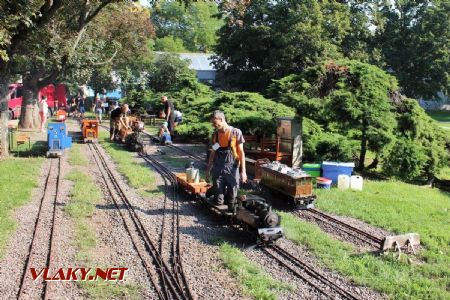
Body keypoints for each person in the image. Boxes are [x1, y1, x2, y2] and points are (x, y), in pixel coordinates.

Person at [205, 110, 247, 211]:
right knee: (219, 200)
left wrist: (243, 172)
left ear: (222, 120)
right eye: (213, 124)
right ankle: (215, 194)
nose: (215, 126)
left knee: (232, 198)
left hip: (232, 168)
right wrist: (208, 169)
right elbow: (213, 153)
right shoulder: (216, 135)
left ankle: (232, 208)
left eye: (216, 123)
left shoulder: (236, 133)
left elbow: (241, 152)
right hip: (218, 169)